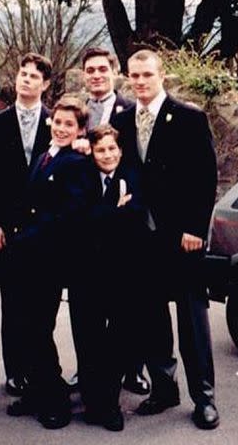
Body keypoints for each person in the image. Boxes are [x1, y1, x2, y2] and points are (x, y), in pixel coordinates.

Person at [112, 49, 220, 430]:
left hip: (182, 238)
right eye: (134, 76)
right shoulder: (122, 120)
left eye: (146, 75)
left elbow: (206, 178)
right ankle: (163, 388)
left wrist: (195, 229)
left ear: (161, 76)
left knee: (192, 321)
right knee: (151, 317)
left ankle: (204, 397)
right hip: (141, 240)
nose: (140, 82)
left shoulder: (189, 118)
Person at [67, 47, 150, 396]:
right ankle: (89, 371)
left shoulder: (130, 111)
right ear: (84, 74)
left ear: (114, 72)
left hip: (125, 215)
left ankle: (132, 369)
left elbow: (135, 157)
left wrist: (125, 196)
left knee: (126, 307)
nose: (96, 75)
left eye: (102, 68)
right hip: (87, 217)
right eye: (90, 70)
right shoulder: (77, 112)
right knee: (87, 311)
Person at [5, 96, 90, 429]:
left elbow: (69, 213)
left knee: (39, 327)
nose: (62, 128)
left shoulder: (77, 163)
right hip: (30, 257)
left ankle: (55, 400)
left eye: (70, 124)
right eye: (58, 121)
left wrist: (26, 238)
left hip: (51, 259)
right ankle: (38, 389)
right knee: (26, 327)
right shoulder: (44, 156)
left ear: (81, 130)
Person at [68, 124, 149, 432]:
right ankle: (92, 401)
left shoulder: (132, 178)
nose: (107, 155)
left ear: (120, 150)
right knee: (87, 338)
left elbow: (135, 216)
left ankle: (109, 402)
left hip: (121, 274)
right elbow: (77, 219)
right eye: (100, 150)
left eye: (112, 149)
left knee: (118, 340)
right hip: (85, 273)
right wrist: (114, 210)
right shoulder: (80, 177)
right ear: (92, 152)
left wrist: (102, 214)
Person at [0, 53, 53, 398]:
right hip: (7, 231)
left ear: (45, 84)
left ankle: (40, 369)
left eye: (34, 76)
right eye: (22, 74)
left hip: (45, 233)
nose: (26, 80)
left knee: (44, 304)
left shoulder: (59, 124)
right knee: (12, 305)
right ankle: (15, 372)